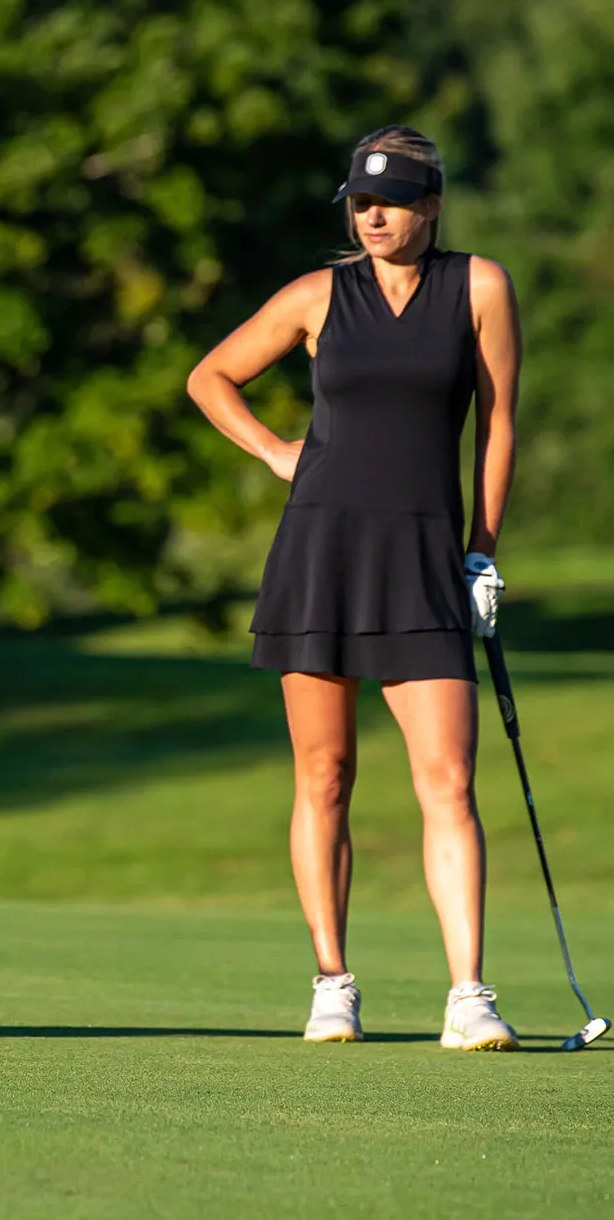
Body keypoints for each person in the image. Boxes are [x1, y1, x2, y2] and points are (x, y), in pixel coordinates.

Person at [186, 125, 523, 1051]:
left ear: (433, 204)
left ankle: (468, 996)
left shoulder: (480, 288)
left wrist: (483, 550)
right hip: (320, 553)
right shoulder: (316, 297)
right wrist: (274, 452)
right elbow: (207, 376)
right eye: (360, 203)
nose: (373, 216)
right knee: (324, 775)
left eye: (394, 200)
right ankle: (332, 982)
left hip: (422, 559)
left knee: (449, 780)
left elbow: (496, 428)